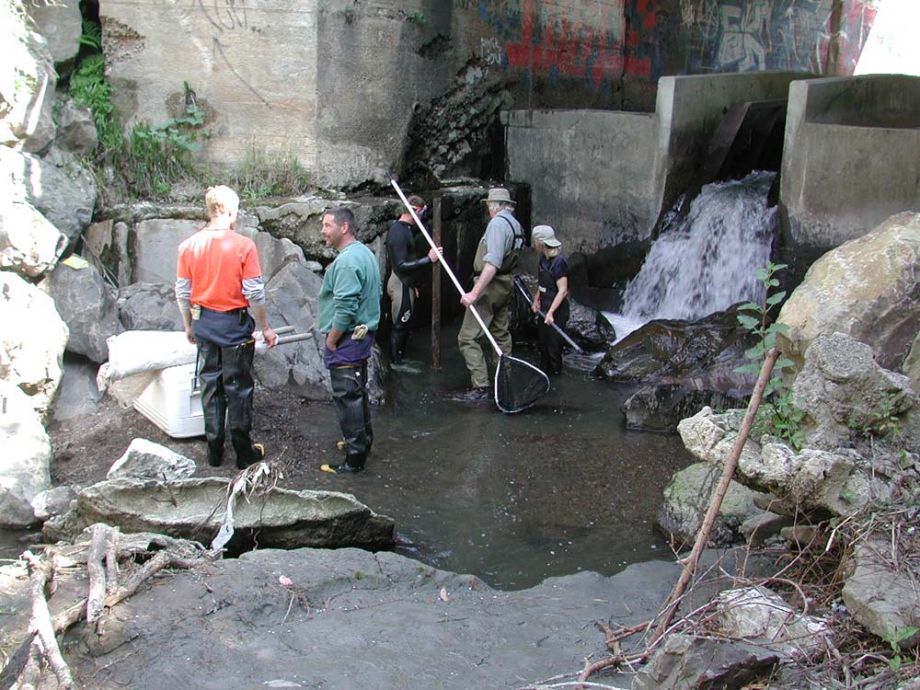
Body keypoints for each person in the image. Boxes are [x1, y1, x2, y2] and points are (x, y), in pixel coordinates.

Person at [175, 185, 278, 469]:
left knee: (211, 385)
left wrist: (188, 326)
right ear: (231, 211)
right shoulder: (243, 245)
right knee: (238, 387)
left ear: (209, 211)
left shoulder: (189, 246)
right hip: (234, 325)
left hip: (204, 323)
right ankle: (244, 453)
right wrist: (266, 327)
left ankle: (214, 451)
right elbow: (254, 293)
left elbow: (182, 291)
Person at [317, 207, 381, 474]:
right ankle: (362, 441)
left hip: (347, 339)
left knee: (347, 396)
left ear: (344, 227)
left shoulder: (346, 262)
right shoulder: (364, 252)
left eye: (327, 225)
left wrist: (332, 340)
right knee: (357, 390)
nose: (322, 231)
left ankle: (354, 460)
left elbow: (345, 308)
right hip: (362, 335)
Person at [457, 187, 525, 401]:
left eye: (488, 205)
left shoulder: (497, 225)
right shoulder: (516, 225)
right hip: (505, 285)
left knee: (467, 338)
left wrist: (474, 293)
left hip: (490, 286)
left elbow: (492, 263)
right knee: (500, 334)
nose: (487, 209)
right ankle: (504, 380)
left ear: (494, 206)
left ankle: (481, 387)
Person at [385, 194, 441, 364]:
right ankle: (396, 363)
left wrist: (413, 284)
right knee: (400, 325)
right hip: (400, 282)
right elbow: (401, 264)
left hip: (406, 283)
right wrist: (428, 259)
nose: (423, 217)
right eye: (422, 212)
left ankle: (401, 357)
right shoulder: (398, 232)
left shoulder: (406, 229)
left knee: (405, 323)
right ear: (415, 210)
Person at [530, 225, 570, 375]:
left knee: (554, 350)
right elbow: (542, 285)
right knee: (543, 348)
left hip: (557, 312)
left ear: (540, 243)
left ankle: (556, 382)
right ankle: (544, 377)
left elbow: (562, 291)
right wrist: (536, 301)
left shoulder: (559, 262)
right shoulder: (543, 259)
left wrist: (551, 313)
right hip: (544, 308)